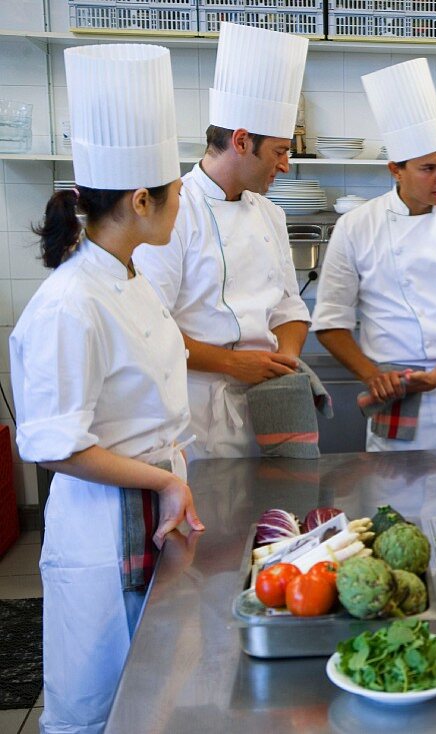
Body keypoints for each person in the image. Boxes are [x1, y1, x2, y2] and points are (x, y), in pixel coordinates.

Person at [8, 44, 204, 734]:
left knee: (153, 693)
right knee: (98, 704)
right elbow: (56, 445)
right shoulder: (71, 302)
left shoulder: (126, 274)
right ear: (141, 200)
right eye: (175, 193)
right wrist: (162, 482)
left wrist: (169, 481)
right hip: (102, 527)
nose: (183, 204)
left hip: (150, 510)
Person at [133, 23, 311, 460]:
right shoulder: (174, 212)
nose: (286, 166)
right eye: (280, 151)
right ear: (242, 141)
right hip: (197, 415)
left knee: (275, 519)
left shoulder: (270, 213)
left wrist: (284, 360)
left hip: (269, 407)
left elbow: (289, 306)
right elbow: (151, 329)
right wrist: (234, 363)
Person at [311, 58, 436, 451]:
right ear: (395, 170)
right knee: (393, 504)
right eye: (428, 167)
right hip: (392, 393)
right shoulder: (357, 226)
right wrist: (371, 375)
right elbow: (330, 321)